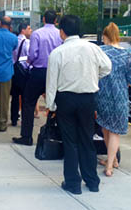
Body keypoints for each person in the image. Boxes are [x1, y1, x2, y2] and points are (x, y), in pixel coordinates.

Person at [45, 15, 112, 195]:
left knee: (70, 142)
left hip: (65, 99)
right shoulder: (92, 48)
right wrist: (92, 76)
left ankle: (73, 183)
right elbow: (107, 67)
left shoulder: (57, 53)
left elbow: (51, 83)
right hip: (88, 98)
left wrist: (50, 105)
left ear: (62, 32)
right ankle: (92, 181)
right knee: (86, 139)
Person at [13, 10, 62, 146]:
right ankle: (56, 134)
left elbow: (33, 54)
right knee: (57, 103)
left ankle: (27, 136)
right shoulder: (60, 34)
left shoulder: (37, 34)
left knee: (28, 102)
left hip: (38, 72)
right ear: (56, 20)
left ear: (44, 19)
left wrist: (29, 62)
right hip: (55, 73)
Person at [96, 22, 131, 177]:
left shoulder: (100, 51)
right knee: (115, 132)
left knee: (105, 127)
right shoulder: (127, 55)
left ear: (105, 37)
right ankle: (111, 164)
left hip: (102, 95)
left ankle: (110, 162)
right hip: (119, 96)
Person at [10, 23, 32, 126]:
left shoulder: (14, 41)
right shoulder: (27, 42)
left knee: (14, 97)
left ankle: (14, 119)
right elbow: (30, 56)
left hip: (14, 70)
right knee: (24, 97)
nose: (30, 30)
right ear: (23, 30)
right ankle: (24, 119)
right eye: (29, 28)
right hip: (23, 71)